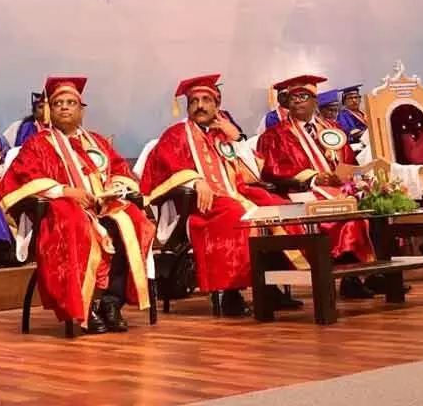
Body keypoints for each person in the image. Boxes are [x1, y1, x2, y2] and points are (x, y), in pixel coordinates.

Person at [0, 77, 154, 334]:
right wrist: (66, 191)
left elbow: (120, 170)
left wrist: (113, 188)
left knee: (133, 219)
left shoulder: (98, 142)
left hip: (102, 206)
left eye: (71, 103)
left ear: (81, 110)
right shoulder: (38, 144)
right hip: (63, 211)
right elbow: (23, 178)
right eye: (58, 103)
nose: (64, 107)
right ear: (49, 110)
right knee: (75, 222)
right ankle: (85, 304)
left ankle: (111, 303)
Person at [140, 74, 305, 317]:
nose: (200, 105)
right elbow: (162, 168)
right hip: (197, 207)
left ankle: (270, 286)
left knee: (277, 207)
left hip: (235, 194)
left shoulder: (222, 134)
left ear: (217, 105)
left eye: (206, 100)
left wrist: (236, 138)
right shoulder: (176, 135)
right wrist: (194, 180)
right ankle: (231, 293)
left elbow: (251, 172)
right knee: (236, 214)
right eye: (194, 101)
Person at [256, 74, 377, 298]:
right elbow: (271, 172)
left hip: (338, 188)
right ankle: (345, 276)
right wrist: (314, 179)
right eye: (292, 98)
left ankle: (370, 274)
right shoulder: (276, 135)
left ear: (314, 101)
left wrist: (353, 178)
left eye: (304, 96)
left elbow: (348, 160)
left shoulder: (331, 129)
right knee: (344, 208)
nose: (297, 101)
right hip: (301, 191)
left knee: (375, 201)